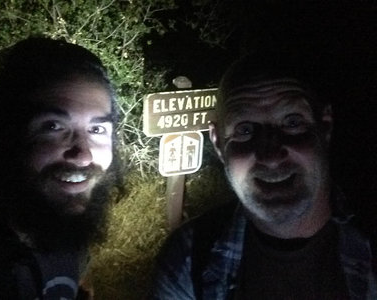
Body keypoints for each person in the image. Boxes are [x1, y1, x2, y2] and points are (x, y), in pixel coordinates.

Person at [152, 52, 377, 299]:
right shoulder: (187, 259)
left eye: (292, 123)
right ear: (217, 143)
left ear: (325, 127)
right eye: (245, 130)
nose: (270, 156)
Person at [0, 37, 119, 299]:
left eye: (97, 129)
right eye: (53, 126)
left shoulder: (62, 229)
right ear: (6, 134)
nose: (83, 155)